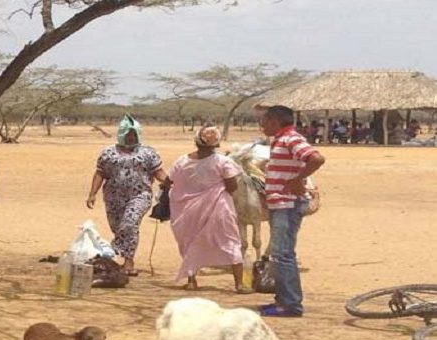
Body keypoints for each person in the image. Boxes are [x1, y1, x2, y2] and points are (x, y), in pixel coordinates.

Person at [163, 126, 249, 292]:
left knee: (190, 242)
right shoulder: (223, 161)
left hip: (187, 212)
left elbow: (167, 182)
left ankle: (191, 281)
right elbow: (232, 186)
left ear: (196, 142)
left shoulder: (182, 161)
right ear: (215, 144)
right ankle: (239, 284)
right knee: (230, 240)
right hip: (219, 209)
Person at [259, 106, 326, 317]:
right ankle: (283, 300)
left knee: (283, 254)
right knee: (281, 254)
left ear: (275, 121)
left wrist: (296, 180)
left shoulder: (291, 138)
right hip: (280, 204)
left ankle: (290, 305)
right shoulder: (280, 140)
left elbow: (316, 158)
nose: (262, 125)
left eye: (265, 121)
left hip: (286, 205)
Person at [86, 115, 166, 276]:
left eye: (134, 134)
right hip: (113, 197)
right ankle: (115, 256)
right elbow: (100, 173)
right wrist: (92, 194)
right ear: (121, 134)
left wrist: (172, 184)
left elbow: (159, 173)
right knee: (119, 227)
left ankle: (126, 259)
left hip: (140, 195)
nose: (131, 137)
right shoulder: (108, 153)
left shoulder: (148, 152)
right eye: (128, 134)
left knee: (130, 223)